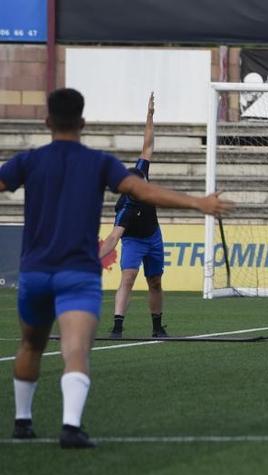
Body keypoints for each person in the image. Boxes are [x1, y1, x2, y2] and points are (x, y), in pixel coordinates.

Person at [0, 88, 233, 448]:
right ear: (83, 122)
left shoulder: (27, 161)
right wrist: (198, 203)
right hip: (77, 273)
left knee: (31, 344)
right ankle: (71, 427)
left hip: (35, 270)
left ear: (47, 121)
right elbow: (145, 191)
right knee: (76, 349)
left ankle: (22, 422)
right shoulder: (100, 163)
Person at [98, 93, 167, 338]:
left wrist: (149, 116)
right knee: (128, 277)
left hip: (154, 236)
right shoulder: (125, 208)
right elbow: (113, 238)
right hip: (134, 241)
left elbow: (147, 146)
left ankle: (158, 328)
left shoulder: (140, 172)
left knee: (155, 282)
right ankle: (118, 326)